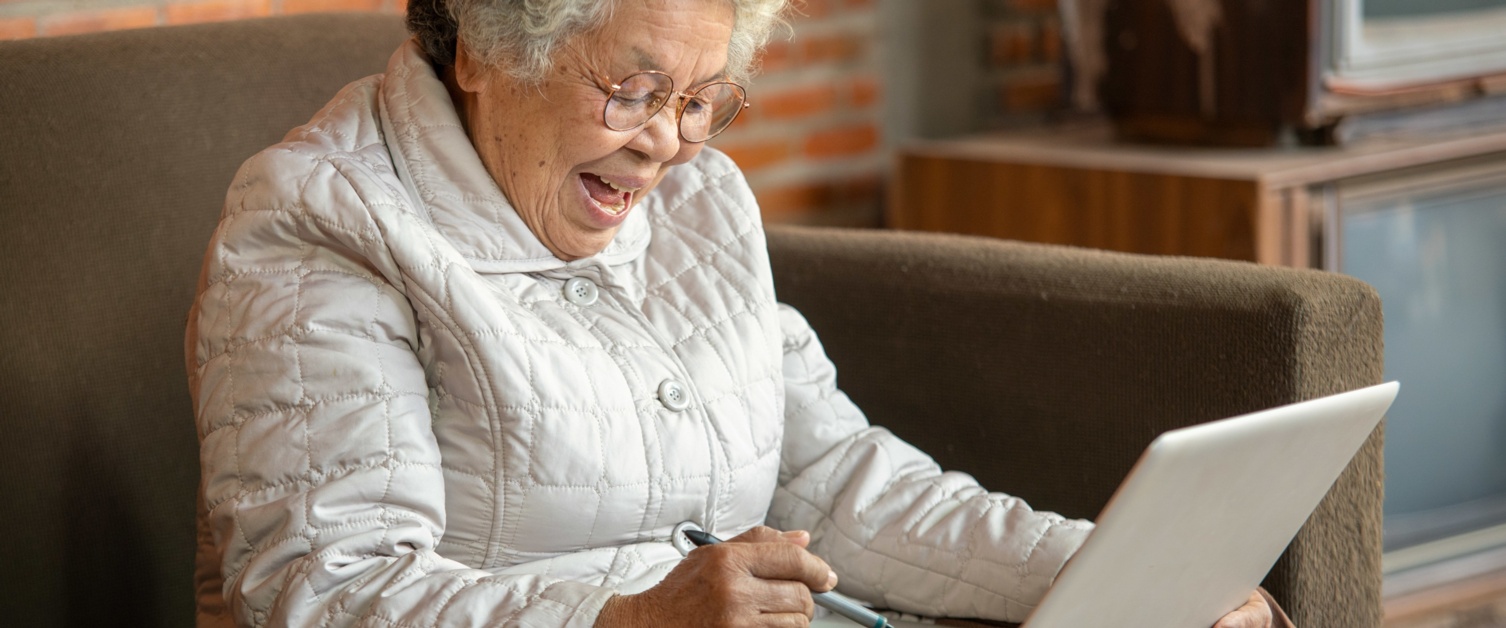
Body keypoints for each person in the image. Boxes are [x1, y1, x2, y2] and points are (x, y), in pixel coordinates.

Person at [185, 0, 1285, 626]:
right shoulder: (321, 226)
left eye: (700, 100)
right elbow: (330, 593)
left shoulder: (702, 201)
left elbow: (839, 482)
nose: (667, 141)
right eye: (631, 88)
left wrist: (1123, 579)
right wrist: (627, 625)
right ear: (482, 47)